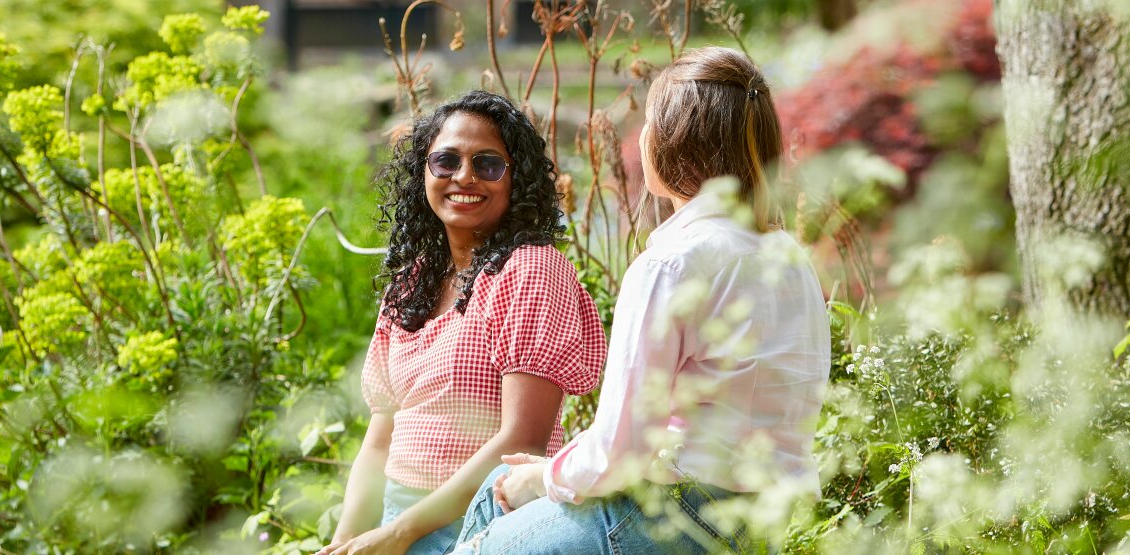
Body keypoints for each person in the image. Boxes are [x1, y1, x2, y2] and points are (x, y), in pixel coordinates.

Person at [449, 46, 831, 554]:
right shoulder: (789, 256)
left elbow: (621, 450)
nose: (643, 137)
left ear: (676, 144)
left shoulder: (671, 263)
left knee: (491, 521)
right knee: (495, 493)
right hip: (765, 515)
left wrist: (544, 480)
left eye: (650, 122)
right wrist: (553, 471)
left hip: (675, 517)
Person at [318, 90, 606, 555]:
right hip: (398, 521)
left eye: (488, 164)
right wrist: (345, 540)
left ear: (518, 179)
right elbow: (380, 438)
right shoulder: (412, 282)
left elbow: (522, 440)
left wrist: (398, 535)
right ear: (423, 173)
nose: (464, 177)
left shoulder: (531, 269)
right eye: (446, 161)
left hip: (487, 522)